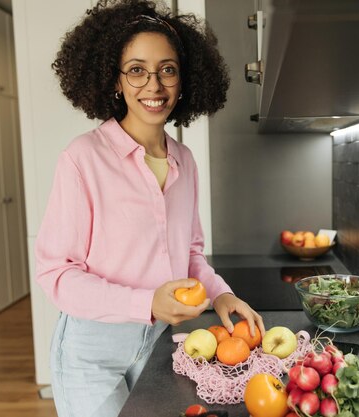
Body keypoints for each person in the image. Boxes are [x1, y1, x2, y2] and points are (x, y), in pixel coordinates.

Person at [35, 1, 265, 416]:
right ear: (115, 81)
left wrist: (222, 295)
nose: (154, 86)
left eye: (168, 69)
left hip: (160, 342)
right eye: (137, 70)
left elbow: (191, 254)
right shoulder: (83, 158)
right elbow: (57, 275)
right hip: (91, 353)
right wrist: (146, 304)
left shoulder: (185, 160)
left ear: (184, 80)